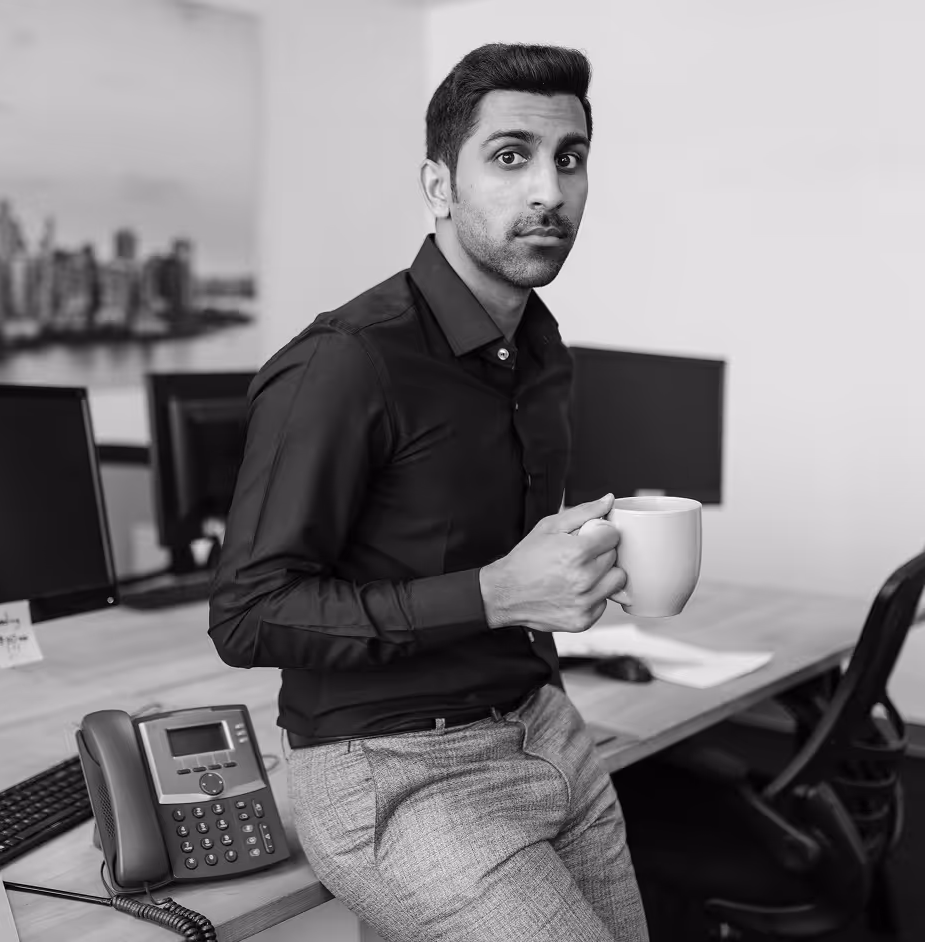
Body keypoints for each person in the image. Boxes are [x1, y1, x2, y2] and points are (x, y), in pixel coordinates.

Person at [209, 42, 649, 942]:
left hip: (544, 731)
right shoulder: (347, 361)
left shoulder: (542, 352)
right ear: (440, 185)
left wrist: (573, 574)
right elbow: (248, 614)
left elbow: (508, 560)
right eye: (510, 156)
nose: (549, 192)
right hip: (393, 769)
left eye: (570, 160)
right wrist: (496, 594)